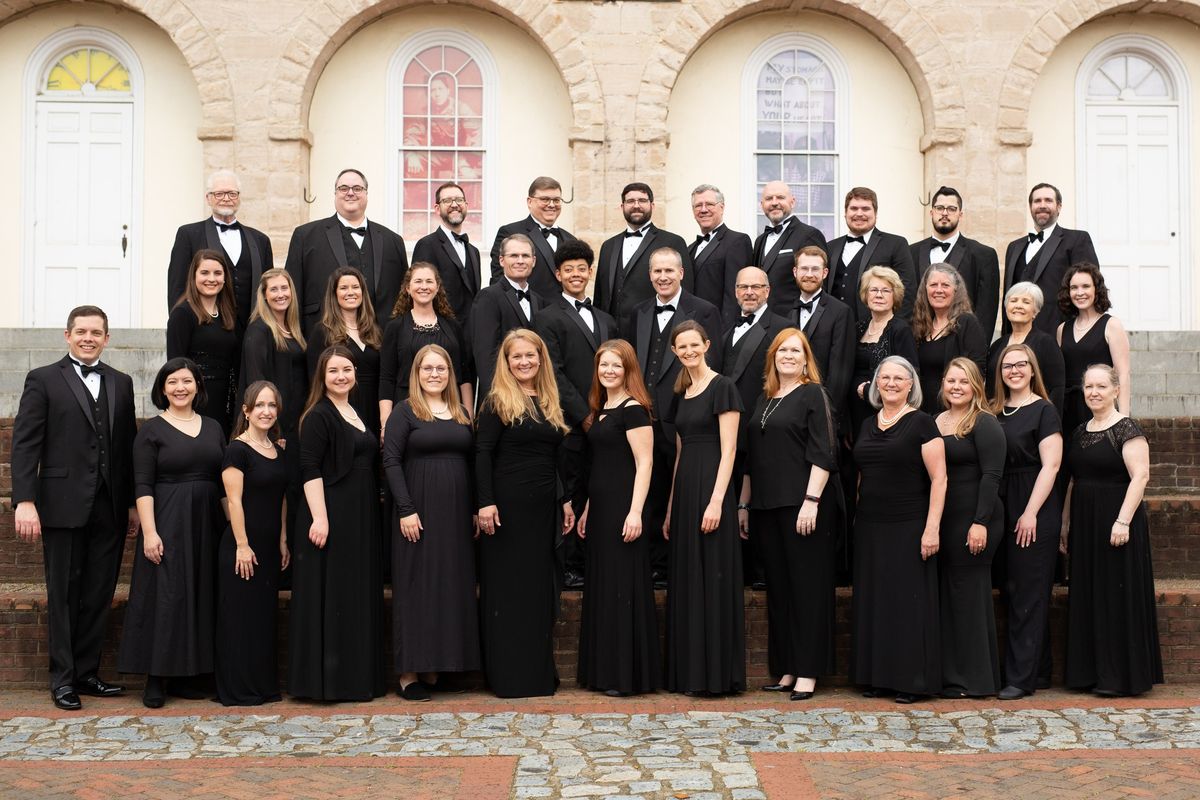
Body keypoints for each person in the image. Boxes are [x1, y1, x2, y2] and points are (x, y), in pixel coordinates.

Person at [10, 305, 138, 710]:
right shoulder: (43, 379)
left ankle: (86, 673)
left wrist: (133, 504)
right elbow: (25, 443)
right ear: (67, 335)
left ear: (107, 337)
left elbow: (125, 449)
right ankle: (62, 679)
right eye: (81, 331)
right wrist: (25, 500)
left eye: (96, 332)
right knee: (64, 593)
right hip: (62, 503)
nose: (88, 338)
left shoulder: (122, 382)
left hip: (111, 506)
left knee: (99, 592)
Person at [118, 358, 227, 708]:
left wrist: (233, 530)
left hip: (207, 520)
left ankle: (190, 675)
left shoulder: (213, 427)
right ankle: (156, 676)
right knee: (167, 596)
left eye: (187, 381)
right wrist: (150, 532)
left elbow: (224, 484)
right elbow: (143, 484)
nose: (180, 388)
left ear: (198, 386)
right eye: (172, 382)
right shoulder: (151, 430)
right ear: (162, 389)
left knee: (201, 593)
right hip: (168, 518)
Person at [739, 328, 840, 701]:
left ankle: (808, 672)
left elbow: (824, 451)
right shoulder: (765, 399)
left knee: (807, 589)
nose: (789, 356)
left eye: (796, 351)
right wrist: (744, 504)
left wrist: (811, 500)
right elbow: (752, 458)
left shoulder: (814, 394)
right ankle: (786, 668)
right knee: (780, 590)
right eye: (783, 350)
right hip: (766, 507)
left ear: (806, 358)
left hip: (803, 506)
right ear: (773, 357)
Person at [475, 329, 575, 697]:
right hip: (507, 510)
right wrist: (485, 502)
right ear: (506, 361)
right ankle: (509, 677)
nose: (524, 362)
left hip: (543, 509)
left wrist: (564, 501)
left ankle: (536, 674)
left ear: (541, 358)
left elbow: (557, 457)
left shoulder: (549, 398)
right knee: (508, 591)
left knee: (536, 591)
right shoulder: (496, 400)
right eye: (516, 356)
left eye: (530, 355)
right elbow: (482, 453)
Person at [288, 346, 386, 701]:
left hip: (360, 514)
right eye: (333, 371)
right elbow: (309, 468)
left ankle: (356, 678)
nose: (341, 376)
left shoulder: (355, 412)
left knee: (354, 592)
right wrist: (320, 518)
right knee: (332, 594)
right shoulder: (318, 415)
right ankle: (329, 683)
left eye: (346, 369)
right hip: (331, 513)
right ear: (322, 377)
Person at [383, 345, 481, 701]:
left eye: (441, 368)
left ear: (450, 374)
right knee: (416, 586)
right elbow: (391, 460)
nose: (435, 374)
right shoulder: (404, 412)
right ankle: (410, 673)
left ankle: (439, 665)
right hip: (418, 511)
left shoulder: (460, 413)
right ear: (417, 373)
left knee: (449, 585)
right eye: (428, 368)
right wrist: (406, 508)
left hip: (455, 514)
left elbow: (471, 464)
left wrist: (473, 507)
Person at [624, 248, 723, 586]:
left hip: (681, 417)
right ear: (649, 275)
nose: (663, 276)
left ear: (681, 272)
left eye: (669, 270)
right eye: (657, 271)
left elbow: (712, 364)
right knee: (644, 489)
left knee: (674, 487)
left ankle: (671, 565)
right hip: (641, 418)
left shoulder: (705, 311)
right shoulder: (636, 312)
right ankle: (648, 563)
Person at [1061, 365, 1162, 697]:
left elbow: (1141, 477)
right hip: (1084, 521)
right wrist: (1065, 523)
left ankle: (1118, 677)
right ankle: (1088, 673)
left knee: (1114, 595)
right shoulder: (1079, 431)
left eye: (1101, 386)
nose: (1094, 392)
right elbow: (1074, 480)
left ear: (1116, 390)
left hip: (1117, 519)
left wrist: (1123, 521)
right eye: (1088, 386)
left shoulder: (1127, 429)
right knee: (1089, 592)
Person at [850, 356, 946, 703]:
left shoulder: (922, 423)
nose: (890, 383)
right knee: (877, 602)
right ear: (876, 384)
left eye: (898, 378)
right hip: (871, 526)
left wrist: (931, 528)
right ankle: (879, 677)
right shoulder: (866, 424)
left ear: (911, 385)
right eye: (884, 377)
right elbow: (862, 475)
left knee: (908, 603)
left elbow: (939, 479)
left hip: (910, 523)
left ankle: (911, 681)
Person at [663, 320, 744, 696]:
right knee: (688, 581)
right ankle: (690, 673)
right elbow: (680, 451)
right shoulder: (682, 391)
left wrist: (716, 501)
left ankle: (715, 675)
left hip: (713, 489)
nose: (689, 351)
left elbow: (729, 450)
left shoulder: (723, 387)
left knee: (712, 579)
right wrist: (669, 507)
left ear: (707, 345)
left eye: (694, 345)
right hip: (686, 492)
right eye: (682, 347)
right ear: (675, 351)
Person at [575, 339, 660, 696]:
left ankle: (625, 676)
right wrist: (588, 509)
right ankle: (602, 671)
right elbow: (602, 465)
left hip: (626, 509)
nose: (609, 371)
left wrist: (636, 512)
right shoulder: (601, 408)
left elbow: (645, 463)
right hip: (601, 510)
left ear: (628, 370)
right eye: (603, 365)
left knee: (623, 587)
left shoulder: (634, 409)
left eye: (616, 366)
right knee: (604, 588)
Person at [533, 240, 617, 589]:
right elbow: (553, 372)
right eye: (568, 269)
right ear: (558, 274)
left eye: (582, 268)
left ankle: (594, 560)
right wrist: (584, 415)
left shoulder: (607, 320)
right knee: (570, 492)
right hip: (569, 424)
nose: (576, 274)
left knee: (601, 490)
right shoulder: (547, 318)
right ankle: (568, 565)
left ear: (590, 272)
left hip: (607, 422)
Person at [992, 343, 1063, 700]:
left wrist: (1031, 511)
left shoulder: (1044, 411)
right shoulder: (994, 410)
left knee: (1028, 591)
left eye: (1021, 365)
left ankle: (1020, 678)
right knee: (1012, 588)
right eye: (1007, 365)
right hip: (1001, 501)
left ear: (1032, 370)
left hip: (1032, 500)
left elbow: (1051, 465)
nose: (1014, 370)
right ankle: (1042, 670)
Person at [216, 381, 289, 706]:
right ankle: (238, 689)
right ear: (245, 411)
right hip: (242, 547)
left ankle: (262, 686)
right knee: (239, 618)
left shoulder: (278, 450)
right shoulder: (237, 449)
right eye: (259, 405)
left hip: (271, 545)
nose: (266, 411)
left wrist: (284, 538)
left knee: (262, 619)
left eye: (271, 405)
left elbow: (282, 498)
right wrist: (242, 545)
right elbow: (234, 502)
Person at [934, 358, 1004, 698]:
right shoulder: (936, 421)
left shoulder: (984, 422)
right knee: (951, 596)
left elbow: (992, 475)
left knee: (970, 597)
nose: (956, 387)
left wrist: (980, 522)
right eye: (951, 381)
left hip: (976, 518)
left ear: (975, 386)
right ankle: (953, 676)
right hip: (945, 520)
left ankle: (976, 680)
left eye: (963, 381)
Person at [284, 168, 408, 332]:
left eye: (357, 188)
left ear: (366, 194)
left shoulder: (393, 240)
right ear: (335, 194)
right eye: (343, 188)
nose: (350, 193)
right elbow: (293, 290)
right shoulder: (305, 236)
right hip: (325, 336)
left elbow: (405, 295)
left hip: (383, 338)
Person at [166, 170, 273, 330]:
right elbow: (177, 286)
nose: (226, 198)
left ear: (239, 198)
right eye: (219, 194)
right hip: (206, 329)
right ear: (208, 198)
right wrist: (180, 326)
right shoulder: (188, 235)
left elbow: (268, 288)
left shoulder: (260, 240)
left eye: (232, 193)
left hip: (251, 331)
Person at [380, 263, 473, 430]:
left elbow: (464, 376)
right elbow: (387, 378)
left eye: (429, 281)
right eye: (418, 281)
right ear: (408, 288)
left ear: (437, 288)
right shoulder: (395, 327)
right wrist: (386, 423)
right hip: (407, 411)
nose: (424, 286)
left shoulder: (453, 326)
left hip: (450, 408)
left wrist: (469, 417)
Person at [1002, 183, 1098, 335]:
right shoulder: (1014, 247)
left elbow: (1089, 287)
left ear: (1059, 207)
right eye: (1037, 201)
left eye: (1048, 200)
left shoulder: (1077, 239)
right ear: (1030, 206)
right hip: (1017, 335)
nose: (1042, 205)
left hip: (1059, 333)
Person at [595, 182, 693, 325]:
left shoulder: (673, 242)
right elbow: (600, 294)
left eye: (642, 200)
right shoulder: (608, 246)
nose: (636, 205)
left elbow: (686, 291)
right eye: (630, 201)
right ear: (622, 207)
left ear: (652, 206)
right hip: (612, 332)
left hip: (651, 329)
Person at [909, 186, 1001, 336]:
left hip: (962, 342)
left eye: (951, 209)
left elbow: (987, 311)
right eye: (940, 208)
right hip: (918, 341)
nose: (945, 213)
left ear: (960, 214)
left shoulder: (984, 255)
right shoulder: (910, 252)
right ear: (931, 212)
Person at [167, 249, 241, 436]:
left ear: (225, 278)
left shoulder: (228, 314)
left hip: (224, 400)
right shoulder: (182, 314)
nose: (211, 278)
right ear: (193, 276)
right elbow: (175, 365)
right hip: (196, 399)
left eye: (218, 273)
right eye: (204, 273)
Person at [304, 267, 384, 438]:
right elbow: (315, 381)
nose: (350, 292)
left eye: (355, 287)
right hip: (341, 411)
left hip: (375, 409)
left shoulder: (375, 331)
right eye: (343, 288)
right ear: (334, 294)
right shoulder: (322, 332)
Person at [1057, 262, 1131, 436]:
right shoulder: (1062, 329)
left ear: (1096, 290)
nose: (1080, 292)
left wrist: (1123, 419)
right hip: (1067, 410)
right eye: (1074, 287)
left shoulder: (1111, 325)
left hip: (1099, 406)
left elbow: (1123, 374)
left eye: (1085, 286)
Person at [470, 233, 545, 400]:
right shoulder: (487, 297)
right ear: (502, 260)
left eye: (525, 256)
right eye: (514, 255)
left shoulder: (539, 301)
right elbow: (485, 355)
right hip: (501, 396)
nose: (520, 260)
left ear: (533, 261)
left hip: (535, 395)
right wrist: (498, 397)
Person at [848, 266, 919, 440]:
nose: (879, 295)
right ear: (866, 294)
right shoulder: (858, 328)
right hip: (854, 414)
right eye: (874, 290)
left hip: (886, 416)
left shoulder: (900, 330)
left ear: (894, 296)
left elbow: (912, 375)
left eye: (886, 290)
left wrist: (868, 391)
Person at [826, 187, 916, 322]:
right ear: (845, 213)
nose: (859, 213)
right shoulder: (831, 247)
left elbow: (907, 290)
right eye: (854, 208)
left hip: (876, 330)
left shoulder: (896, 244)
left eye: (865, 209)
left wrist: (893, 328)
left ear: (875, 213)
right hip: (835, 328)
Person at [240, 269, 308, 447]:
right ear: (264, 295)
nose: (281, 294)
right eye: (274, 289)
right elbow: (256, 382)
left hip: (297, 418)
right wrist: (271, 429)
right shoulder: (258, 330)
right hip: (276, 425)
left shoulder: (294, 330)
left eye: (284, 288)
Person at [787, 246, 855, 424]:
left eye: (815, 269)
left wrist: (826, 410)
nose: (809, 274)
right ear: (795, 271)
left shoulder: (841, 312)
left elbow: (840, 369)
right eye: (804, 268)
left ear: (825, 273)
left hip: (823, 408)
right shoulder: (784, 312)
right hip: (788, 405)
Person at [910, 264, 988, 414]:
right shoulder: (919, 327)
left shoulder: (966, 323)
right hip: (921, 410)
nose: (939, 290)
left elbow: (976, 370)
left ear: (956, 291)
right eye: (933, 285)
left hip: (953, 410)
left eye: (945, 285)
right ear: (925, 290)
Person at [720, 266, 793, 418]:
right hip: (726, 418)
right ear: (736, 292)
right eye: (743, 287)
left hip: (763, 420)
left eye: (755, 287)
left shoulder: (784, 328)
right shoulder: (726, 330)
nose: (749, 292)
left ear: (767, 291)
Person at [489, 176, 578, 300]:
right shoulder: (509, 232)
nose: (551, 205)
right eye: (545, 199)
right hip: (526, 314)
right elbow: (499, 280)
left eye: (556, 200)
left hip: (563, 316)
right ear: (529, 202)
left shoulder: (571, 240)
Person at [985, 282, 1065, 413]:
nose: (1018, 305)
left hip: (1034, 418)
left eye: (1026, 302)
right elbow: (989, 388)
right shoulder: (997, 346)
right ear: (1006, 308)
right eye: (1013, 300)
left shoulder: (1046, 343)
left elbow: (1057, 388)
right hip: (998, 416)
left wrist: (1049, 420)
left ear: (1035, 311)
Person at [751, 181, 828, 314]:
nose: (774, 202)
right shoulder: (760, 240)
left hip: (794, 322)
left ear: (792, 202)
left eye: (780, 197)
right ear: (762, 205)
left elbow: (819, 284)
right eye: (769, 198)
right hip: (763, 321)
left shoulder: (809, 235)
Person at [412, 181, 482, 323]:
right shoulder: (426, 245)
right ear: (437, 209)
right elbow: (420, 293)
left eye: (459, 200)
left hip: (470, 335)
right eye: (447, 200)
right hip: (440, 331)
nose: (454, 204)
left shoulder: (474, 252)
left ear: (466, 206)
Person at [688, 183, 752, 326]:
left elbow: (734, 295)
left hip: (718, 328)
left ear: (721, 207)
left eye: (709, 204)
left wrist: (726, 334)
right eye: (698, 205)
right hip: (691, 330)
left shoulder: (737, 241)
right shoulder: (689, 248)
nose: (703, 210)